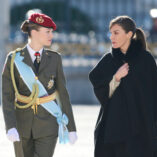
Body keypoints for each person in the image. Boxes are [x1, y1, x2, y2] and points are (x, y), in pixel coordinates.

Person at [2, 12, 77, 157]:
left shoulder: (55, 59)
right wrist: (10, 126)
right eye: (47, 31)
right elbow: (7, 96)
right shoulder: (13, 59)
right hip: (21, 125)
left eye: (51, 32)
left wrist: (71, 127)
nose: (51, 35)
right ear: (34, 32)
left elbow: (63, 94)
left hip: (48, 125)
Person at [89, 15, 157, 157]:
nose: (111, 37)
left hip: (140, 129)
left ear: (129, 34)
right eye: (110, 33)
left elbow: (153, 93)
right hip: (114, 129)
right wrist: (116, 78)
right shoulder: (108, 60)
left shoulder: (146, 60)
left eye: (116, 32)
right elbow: (99, 86)